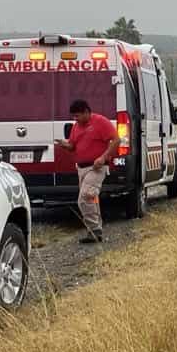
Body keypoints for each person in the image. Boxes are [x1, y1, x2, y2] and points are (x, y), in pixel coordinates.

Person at [55, 98, 119, 243]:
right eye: (73, 116)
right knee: (92, 199)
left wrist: (103, 158)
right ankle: (96, 230)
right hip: (81, 168)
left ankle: (94, 231)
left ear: (86, 112)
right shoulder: (76, 126)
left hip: (96, 167)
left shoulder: (100, 122)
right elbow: (72, 146)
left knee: (85, 197)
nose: (75, 119)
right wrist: (64, 145)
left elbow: (116, 140)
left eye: (77, 115)